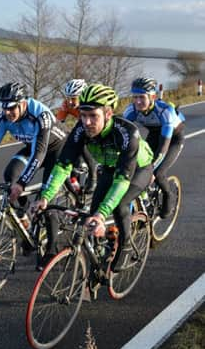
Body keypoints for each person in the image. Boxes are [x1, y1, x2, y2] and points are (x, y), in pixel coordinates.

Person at [32, 84, 154, 272]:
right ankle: (99, 255)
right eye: (83, 115)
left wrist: (102, 214)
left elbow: (122, 180)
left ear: (108, 114)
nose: (86, 122)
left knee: (118, 205)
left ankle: (126, 245)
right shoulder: (81, 129)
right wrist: (46, 197)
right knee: (91, 212)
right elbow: (63, 165)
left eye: (93, 116)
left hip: (138, 169)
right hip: (109, 166)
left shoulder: (127, 133)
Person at [0, 82, 68, 266]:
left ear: (23, 103)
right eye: (4, 107)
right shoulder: (5, 119)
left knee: (46, 199)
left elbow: (39, 153)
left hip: (55, 150)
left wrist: (21, 184)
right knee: (10, 175)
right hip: (33, 148)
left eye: (11, 108)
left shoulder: (40, 115)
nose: (7, 112)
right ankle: (23, 221)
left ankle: (51, 252)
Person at [122, 77, 185, 218]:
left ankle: (168, 196)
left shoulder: (165, 111)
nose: (138, 101)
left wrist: (151, 171)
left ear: (153, 97)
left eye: (142, 97)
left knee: (158, 172)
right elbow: (121, 135)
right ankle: (143, 200)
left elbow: (163, 148)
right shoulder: (131, 111)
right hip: (155, 135)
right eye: (135, 97)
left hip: (172, 139)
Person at [57, 79, 98, 194]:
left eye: (74, 98)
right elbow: (58, 123)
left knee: (81, 143)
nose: (70, 101)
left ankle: (93, 173)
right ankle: (77, 189)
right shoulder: (66, 104)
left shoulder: (91, 103)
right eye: (68, 97)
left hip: (95, 128)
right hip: (82, 126)